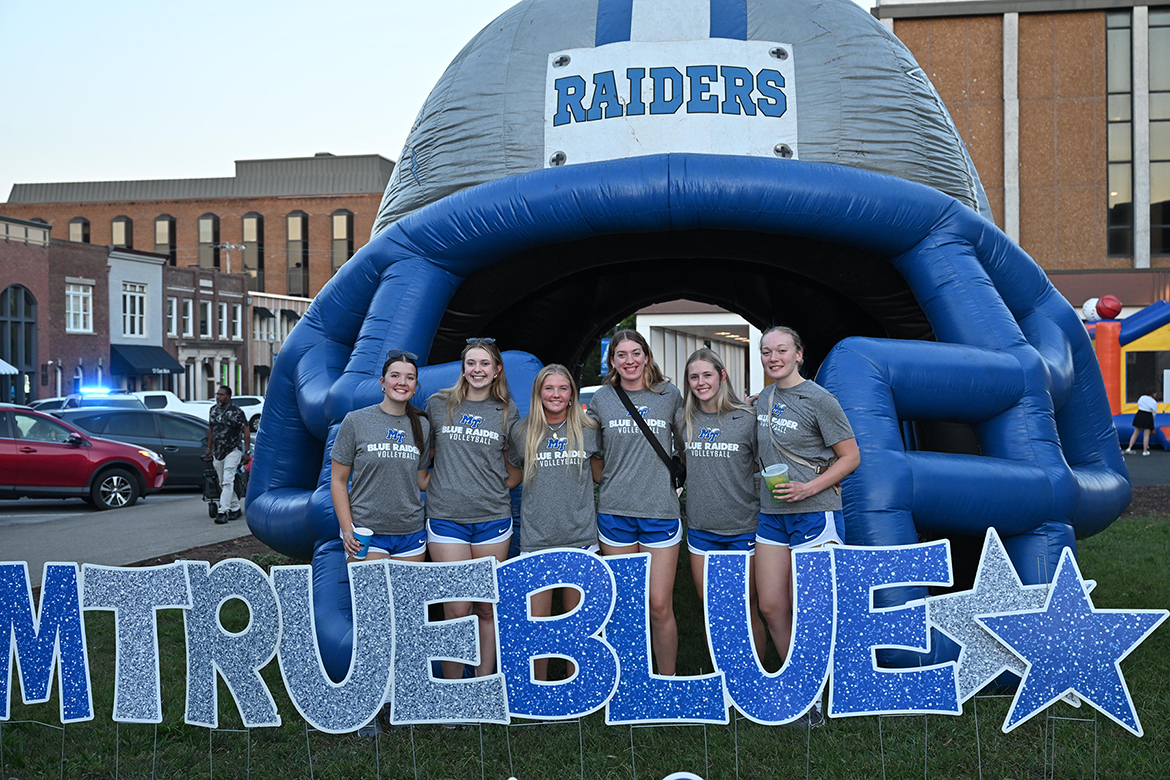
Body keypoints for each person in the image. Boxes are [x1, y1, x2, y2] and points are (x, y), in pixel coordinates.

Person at [753, 326, 860, 670]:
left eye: (782, 350)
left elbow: (851, 457)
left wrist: (808, 488)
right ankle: (800, 680)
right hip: (772, 513)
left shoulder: (819, 399)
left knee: (812, 607)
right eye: (767, 352)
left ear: (798, 354)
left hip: (816, 510)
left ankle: (824, 681)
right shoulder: (763, 399)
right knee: (771, 605)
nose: (774, 358)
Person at [425, 338, 522, 678]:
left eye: (484, 364)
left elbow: (516, 469)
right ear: (463, 368)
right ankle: (453, 693)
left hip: (492, 519)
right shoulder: (438, 404)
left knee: (485, 606)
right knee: (456, 608)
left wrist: (491, 489)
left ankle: (483, 689)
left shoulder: (508, 411)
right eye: (471, 363)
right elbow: (426, 457)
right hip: (446, 519)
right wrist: (443, 486)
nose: (477, 370)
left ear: (497, 370)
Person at [588, 329, 683, 676]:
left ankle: (666, 679)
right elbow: (594, 455)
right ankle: (628, 679)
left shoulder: (669, 395)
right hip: (616, 514)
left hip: (659, 512)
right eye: (622, 355)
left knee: (659, 604)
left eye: (636, 353)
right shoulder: (602, 398)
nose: (629, 361)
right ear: (612, 361)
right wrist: (612, 480)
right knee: (624, 604)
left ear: (646, 356)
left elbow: (686, 444)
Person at [509, 364, 601, 680]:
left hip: (581, 537)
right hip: (536, 540)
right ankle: (540, 687)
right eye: (549, 388)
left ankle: (581, 688)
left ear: (572, 394)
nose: (556, 394)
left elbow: (602, 475)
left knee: (579, 625)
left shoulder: (588, 428)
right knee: (539, 625)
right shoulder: (522, 432)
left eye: (563, 388)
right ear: (538, 393)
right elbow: (510, 478)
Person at [676, 348, 766, 661]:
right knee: (713, 610)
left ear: (722, 376)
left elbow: (761, 462)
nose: (701, 382)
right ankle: (726, 679)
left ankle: (753, 682)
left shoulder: (747, 417)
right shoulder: (683, 418)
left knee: (746, 606)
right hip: (702, 529)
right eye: (694, 377)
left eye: (707, 375)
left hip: (743, 528)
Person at [331, 350, 431, 564]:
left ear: (415, 387)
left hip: (411, 534)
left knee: (407, 598)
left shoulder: (422, 425)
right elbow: (338, 480)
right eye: (395, 376)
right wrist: (347, 529)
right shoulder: (356, 421)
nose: (402, 382)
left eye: (410, 378)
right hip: (366, 532)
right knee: (370, 598)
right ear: (382, 382)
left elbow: (422, 480)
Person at [205, 384, 250, 525]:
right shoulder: (213, 410)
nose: (218, 397)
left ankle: (223, 511)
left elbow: (246, 431)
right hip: (218, 452)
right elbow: (211, 429)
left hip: (233, 450)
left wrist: (247, 452)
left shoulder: (237, 412)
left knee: (227, 480)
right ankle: (235, 507)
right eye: (217, 394)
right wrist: (209, 447)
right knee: (222, 482)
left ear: (228, 397)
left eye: (221, 394)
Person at [1125, 391, 1159, 456]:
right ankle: (1145, 451)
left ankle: (1129, 448)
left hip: (1139, 414)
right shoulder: (1153, 402)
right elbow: (1154, 412)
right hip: (1148, 416)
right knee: (1146, 435)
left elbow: (1139, 404)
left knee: (1135, 433)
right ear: (1153, 394)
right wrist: (1152, 418)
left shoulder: (1142, 397)